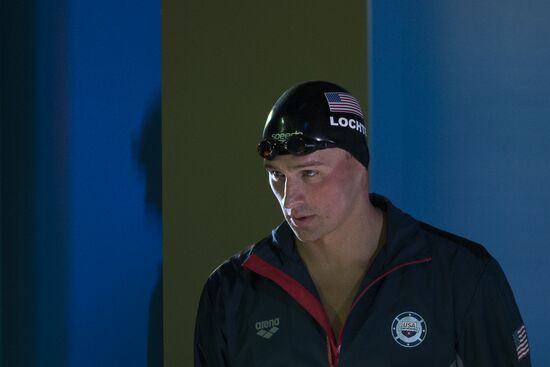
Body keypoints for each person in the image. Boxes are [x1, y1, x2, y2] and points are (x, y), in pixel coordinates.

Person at [194, 81, 531, 366]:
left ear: (359, 166)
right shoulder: (230, 290)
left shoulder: (462, 277)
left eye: (309, 173)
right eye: (277, 176)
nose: (289, 198)